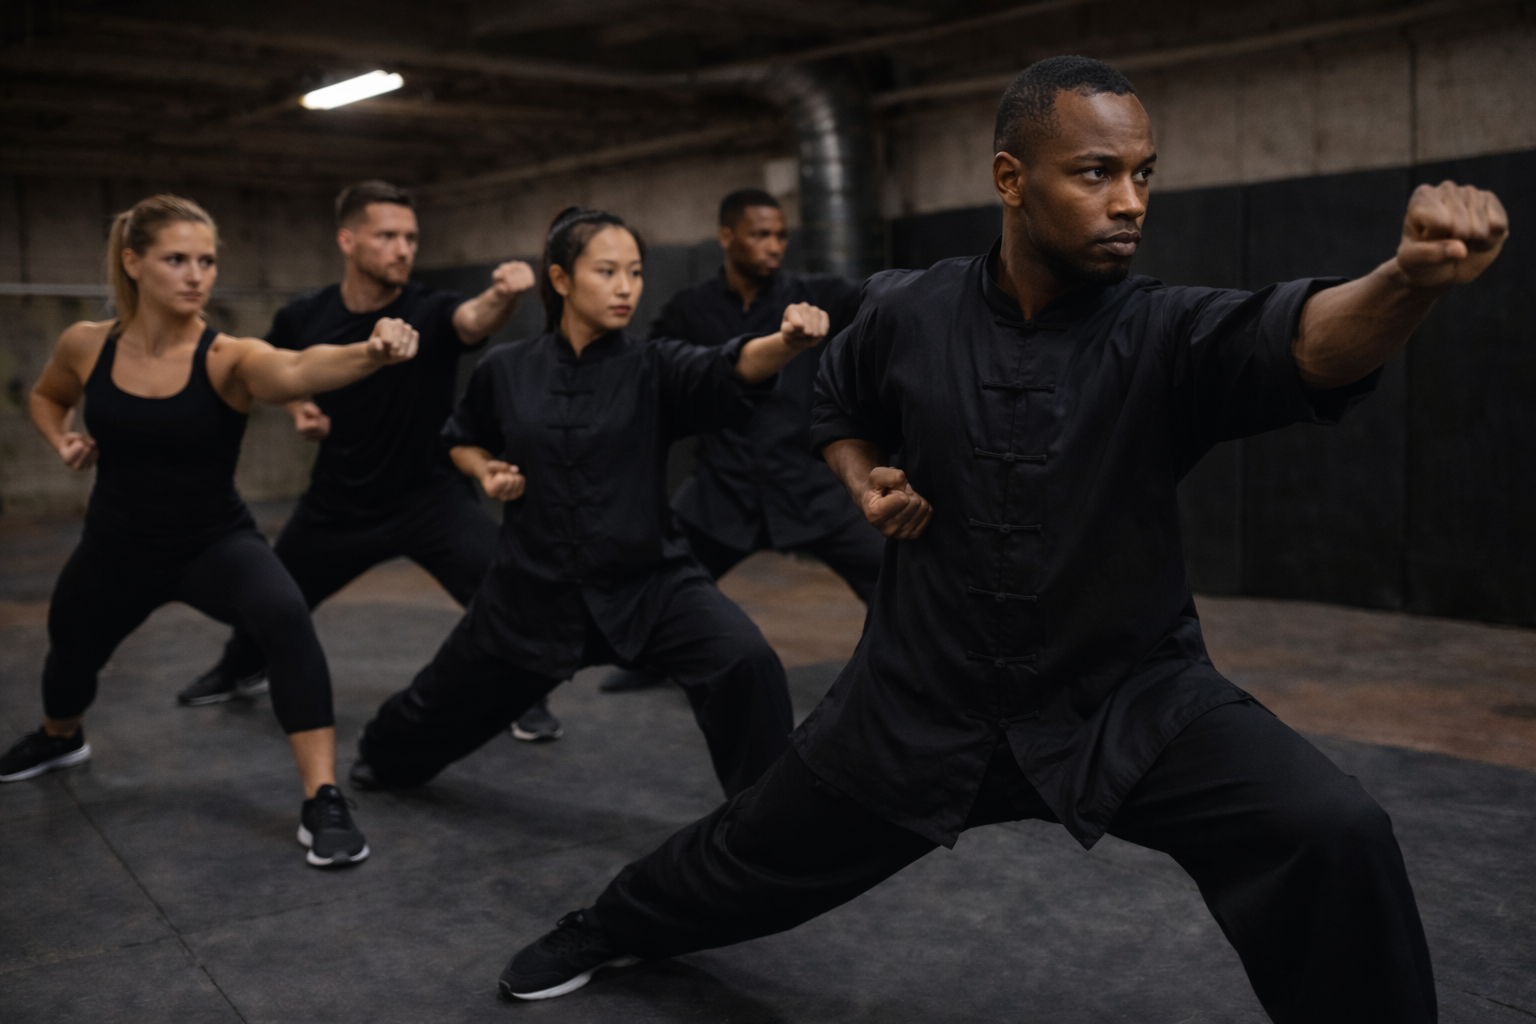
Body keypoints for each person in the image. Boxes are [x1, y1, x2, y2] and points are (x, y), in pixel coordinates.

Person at [497, 57, 1509, 1020]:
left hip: (1124, 695)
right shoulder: (909, 310)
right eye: (1097, 172)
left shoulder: (1161, 330)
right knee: (747, 848)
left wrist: (1406, 281)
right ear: (1011, 180)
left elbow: (1303, 341)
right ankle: (605, 925)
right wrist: (861, 475)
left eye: (1143, 173)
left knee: (1332, 829)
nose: (1131, 201)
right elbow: (839, 401)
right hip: (920, 698)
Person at [348, 207, 830, 801]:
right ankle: (382, 756)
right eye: (607, 270)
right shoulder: (506, 368)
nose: (626, 286)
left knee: (744, 660)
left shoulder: (655, 365)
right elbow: (461, 439)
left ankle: (766, 822)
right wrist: (485, 469)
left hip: (647, 584)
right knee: (417, 724)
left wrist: (784, 342)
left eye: (634, 271)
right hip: (530, 592)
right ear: (560, 279)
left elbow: (726, 367)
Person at [0, 194, 423, 868]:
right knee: (69, 650)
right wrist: (61, 441)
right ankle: (60, 736)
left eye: (206, 261)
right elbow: (47, 395)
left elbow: (297, 369)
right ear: (134, 263)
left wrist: (371, 353)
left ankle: (323, 798)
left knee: (286, 618)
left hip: (212, 544)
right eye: (176, 259)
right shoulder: (85, 343)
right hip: (115, 546)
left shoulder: (229, 356)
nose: (196, 274)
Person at [176, 180, 564, 744]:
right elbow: (271, 369)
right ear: (348, 241)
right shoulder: (305, 314)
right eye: (387, 236)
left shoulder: (429, 309)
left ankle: (524, 691)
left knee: (503, 588)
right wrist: (298, 406)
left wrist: (503, 295)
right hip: (340, 500)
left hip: (429, 496)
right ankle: (240, 666)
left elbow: (473, 320)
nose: (403, 248)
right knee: (275, 595)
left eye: (410, 237)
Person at [600, 189, 882, 693]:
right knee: (664, 571)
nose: (773, 246)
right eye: (759, 234)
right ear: (727, 237)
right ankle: (650, 657)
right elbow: (647, 368)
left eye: (779, 235)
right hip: (723, 489)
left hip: (806, 486)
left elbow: (884, 297)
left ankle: (906, 669)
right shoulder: (691, 309)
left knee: (891, 574)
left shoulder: (815, 295)